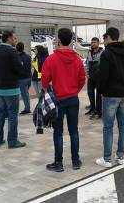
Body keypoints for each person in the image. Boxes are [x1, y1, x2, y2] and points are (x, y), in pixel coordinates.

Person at [42, 28, 86, 172]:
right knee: (74, 131)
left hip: (58, 100)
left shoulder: (51, 59)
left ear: (59, 40)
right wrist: (74, 91)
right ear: (71, 40)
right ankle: (75, 160)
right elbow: (82, 79)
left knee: (58, 132)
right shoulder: (78, 59)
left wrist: (50, 90)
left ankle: (58, 162)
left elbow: (44, 80)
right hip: (73, 99)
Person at [95, 27, 124, 168]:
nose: (104, 42)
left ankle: (107, 158)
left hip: (110, 94)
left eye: (104, 39)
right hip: (123, 94)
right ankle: (120, 156)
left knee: (108, 127)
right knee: (123, 125)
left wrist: (100, 91)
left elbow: (103, 76)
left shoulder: (106, 54)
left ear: (109, 38)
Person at [0, 30, 26, 149]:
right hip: (11, 89)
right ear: (9, 39)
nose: (16, 40)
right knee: (12, 115)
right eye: (14, 38)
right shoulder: (12, 51)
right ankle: (12, 141)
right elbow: (20, 70)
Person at [85, 37, 104, 119]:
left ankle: (98, 111)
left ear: (98, 43)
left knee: (98, 95)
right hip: (91, 77)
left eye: (94, 42)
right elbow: (87, 63)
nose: (93, 44)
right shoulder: (89, 52)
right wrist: (87, 74)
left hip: (99, 77)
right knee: (90, 93)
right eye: (92, 42)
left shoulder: (103, 52)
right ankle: (92, 108)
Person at [16, 42, 32, 115]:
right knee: (26, 93)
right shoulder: (28, 56)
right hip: (29, 77)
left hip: (22, 78)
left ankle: (27, 108)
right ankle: (27, 107)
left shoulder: (17, 57)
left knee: (24, 94)